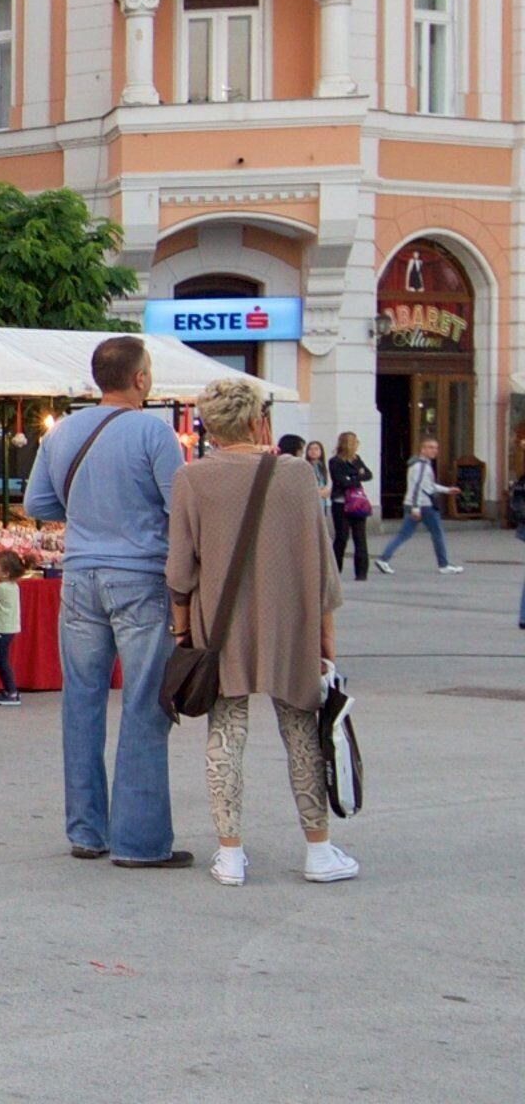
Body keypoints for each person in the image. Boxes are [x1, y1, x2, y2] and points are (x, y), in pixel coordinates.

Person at [166, 378, 358, 886]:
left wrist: (183, 632)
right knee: (303, 735)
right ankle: (319, 851)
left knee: (225, 735)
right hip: (290, 622)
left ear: (209, 426)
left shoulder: (192, 478)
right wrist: (327, 645)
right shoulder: (297, 475)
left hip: (221, 627)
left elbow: (181, 571)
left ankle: (230, 855)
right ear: (258, 421)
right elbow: (322, 565)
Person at [25, 335, 187, 867]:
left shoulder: (64, 431)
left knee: (82, 702)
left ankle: (87, 831)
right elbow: (179, 509)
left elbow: (38, 502)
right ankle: (140, 842)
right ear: (140, 378)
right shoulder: (154, 433)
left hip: (79, 577)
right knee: (143, 702)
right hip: (138, 576)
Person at [378, 436, 457, 573]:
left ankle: (384, 559)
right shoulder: (421, 466)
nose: (435, 451)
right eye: (431, 447)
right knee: (437, 533)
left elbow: (428, 485)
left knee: (404, 534)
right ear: (423, 449)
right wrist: (416, 507)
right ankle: (443, 565)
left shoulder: (422, 465)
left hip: (417, 504)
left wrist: (447, 490)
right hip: (424, 505)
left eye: (436, 448)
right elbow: (417, 487)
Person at [0, 552, 32, 707]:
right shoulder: (11, 586)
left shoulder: (1, 588)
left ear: (6, 573)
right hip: (5, 628)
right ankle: (9, 690)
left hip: (2, 629)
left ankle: (12, 692)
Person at [325, 431, 377, 581]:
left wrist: (354, 476)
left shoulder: (356, 459)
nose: (357, 444)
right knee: (341, 537)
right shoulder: (335, 461)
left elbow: (368, 474)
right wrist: (356, 475)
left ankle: (361, 573)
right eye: (355, 442)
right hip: (341, 503)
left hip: (356, 503)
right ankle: (336, 569)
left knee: (360, 538)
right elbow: (341, 481)